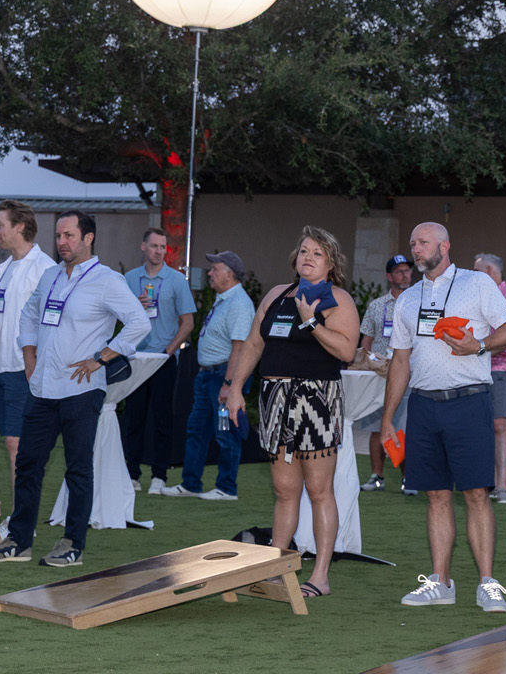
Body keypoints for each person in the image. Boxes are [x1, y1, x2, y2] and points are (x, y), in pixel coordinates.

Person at [0, 211, 150, 566]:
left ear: (88, 238)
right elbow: (29, 315)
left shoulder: (107, 280)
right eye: (58, 236)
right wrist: (29, 353)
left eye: (69, 236)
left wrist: (102, 358)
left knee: (78, 469)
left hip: (82, 389)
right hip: (43, 387)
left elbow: (138, 322)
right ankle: (19, 542)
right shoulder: (51, 276)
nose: (62, 243)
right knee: (27, 464)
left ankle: (72, 544)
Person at [383, 222, 506, 612]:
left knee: (477, 493)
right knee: (436, 495)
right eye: (413, 243)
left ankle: (487, 583)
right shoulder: (408, 299)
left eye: (423, 242)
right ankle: (441, 582)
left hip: (469, 401)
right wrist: (387, 417)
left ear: (444, 246)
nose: (416, 249)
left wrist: (480, 345)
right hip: (423, 405)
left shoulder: (476, 283)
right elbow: (400, 361)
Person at [222, 227, 362, 597]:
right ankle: (273, 568)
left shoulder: (337, 299)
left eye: (317, 253)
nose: (308, 258)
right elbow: (254, 344)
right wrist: (235, 387)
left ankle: (320, 577)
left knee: (318, 490)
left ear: (330, 263)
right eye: (304, 251)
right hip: (275, 399)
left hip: (316, 400)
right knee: (284, 490)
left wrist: (311, 321)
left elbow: (347, 351)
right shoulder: (276, 294)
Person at [166, 252, 257, 500]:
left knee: (225, 432)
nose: (210, 273)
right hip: (208, 374)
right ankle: (191, 483)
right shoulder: (224, 300)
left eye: (215, 269)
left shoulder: (239, 303)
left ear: (230, 274)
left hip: (222, 376)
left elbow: (240, 348)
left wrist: (229, 384)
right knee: (197, 429)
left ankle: (227, 488)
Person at [0, 201, 56, 497]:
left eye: (0, 225)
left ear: (20, 227)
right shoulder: (5, 266)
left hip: (23, 368)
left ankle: (21, 518)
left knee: (19, 445)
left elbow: (53, 321)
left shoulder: (44, 268)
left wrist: (35, 361)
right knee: (13, 445)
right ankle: (20, 515)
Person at [119, 228, 195, 494]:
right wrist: (133, 307)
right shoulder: (129, 278)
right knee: (134, 419)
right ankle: (132, 474)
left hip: (163, 359)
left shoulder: (176, 280)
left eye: (163, 247)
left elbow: (188, 322)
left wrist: (169, 351)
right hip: (136, 358)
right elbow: (117, 316)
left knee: (163, 419)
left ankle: (159, 476)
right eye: (154, 246)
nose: (159, 251)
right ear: (143, 247)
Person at [357, 254, 414, 492]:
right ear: (389, 276)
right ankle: (376, 477)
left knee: (402, 429)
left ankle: (408, 479)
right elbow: (366, 342)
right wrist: (364, 365)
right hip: (379, 376)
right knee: (375, 427)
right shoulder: (377, 306)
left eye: (407, 271)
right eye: (399, 271)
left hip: (407, 375)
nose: (405, 275)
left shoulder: (417, 303)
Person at [474, 252, 506, 504]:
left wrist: (477, 351)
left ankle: (502, 486)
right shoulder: (477, 296)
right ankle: (483, 482)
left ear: (490, 272)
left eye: (477, 272)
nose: (473, 277)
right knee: (478, 426)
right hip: (476, 368)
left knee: (499, 424)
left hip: (501, 367)